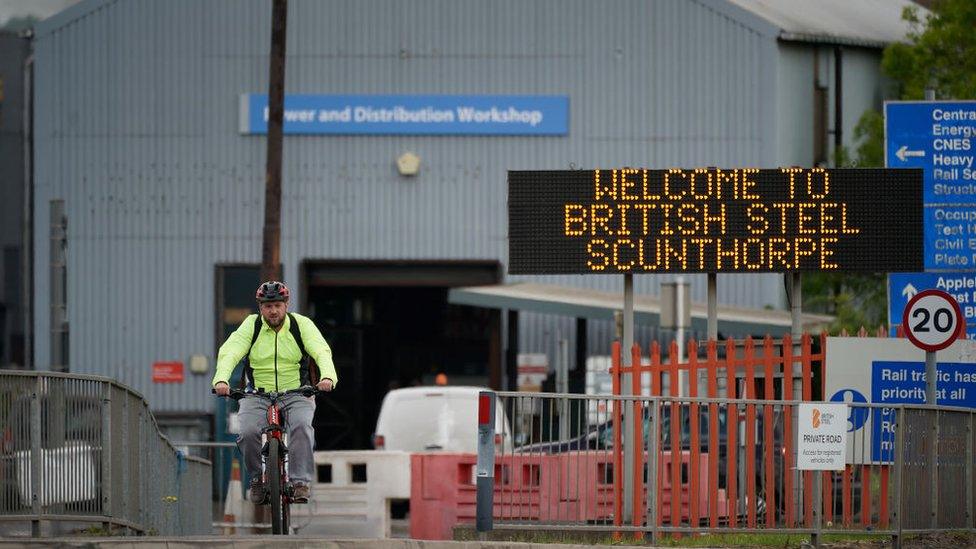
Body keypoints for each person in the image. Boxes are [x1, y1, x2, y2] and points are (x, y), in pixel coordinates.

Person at [212, 280, 337, 503]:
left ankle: (300, 482)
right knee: (248, 431)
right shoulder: (252, 326)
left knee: (301, 426)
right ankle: (257, 479)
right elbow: (230, 352)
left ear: (286, 305)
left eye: (278, 305)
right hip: (257, 394)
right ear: (260, 307)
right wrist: (221, 379)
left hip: (297, 392)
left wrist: (327, 376)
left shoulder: (301, 325)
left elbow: (321, 351)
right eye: (268, 306)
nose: (273, 310)